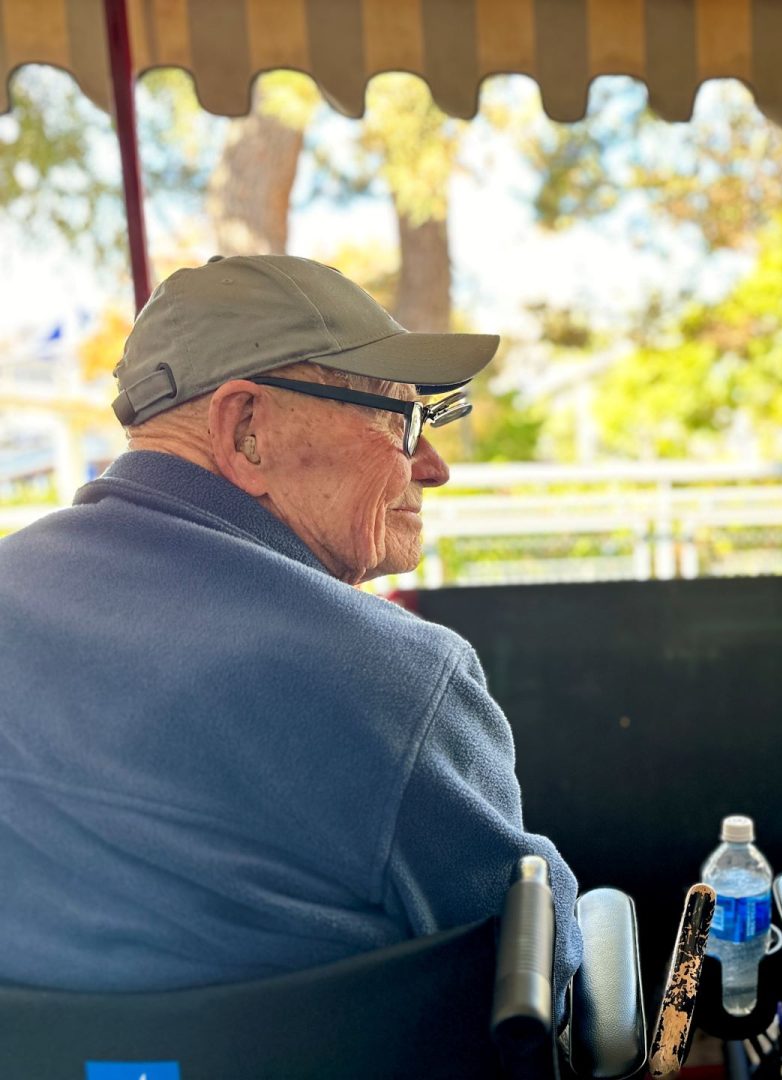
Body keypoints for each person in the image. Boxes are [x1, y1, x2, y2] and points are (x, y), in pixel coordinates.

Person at [0, 255, 582, 1008]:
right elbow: (538, 982)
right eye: (400, 418)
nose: (433, 468)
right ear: (246, 430)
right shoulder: (392, 680)